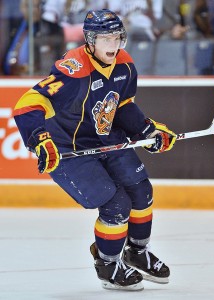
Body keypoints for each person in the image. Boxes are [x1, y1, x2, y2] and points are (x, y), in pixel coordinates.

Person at [13, 9, 176, 291]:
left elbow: (121, 106)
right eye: (105, 39)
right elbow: (26, 105)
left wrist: (147, 130)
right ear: (90, 40)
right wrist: (39, 139)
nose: (113, 45)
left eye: (117, 37)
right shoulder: (73, 71)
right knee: (116, 204)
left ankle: (136, 253)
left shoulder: (124, 65)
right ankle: (108, 265)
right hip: (68, 148)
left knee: (141, 191)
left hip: (106, 139)